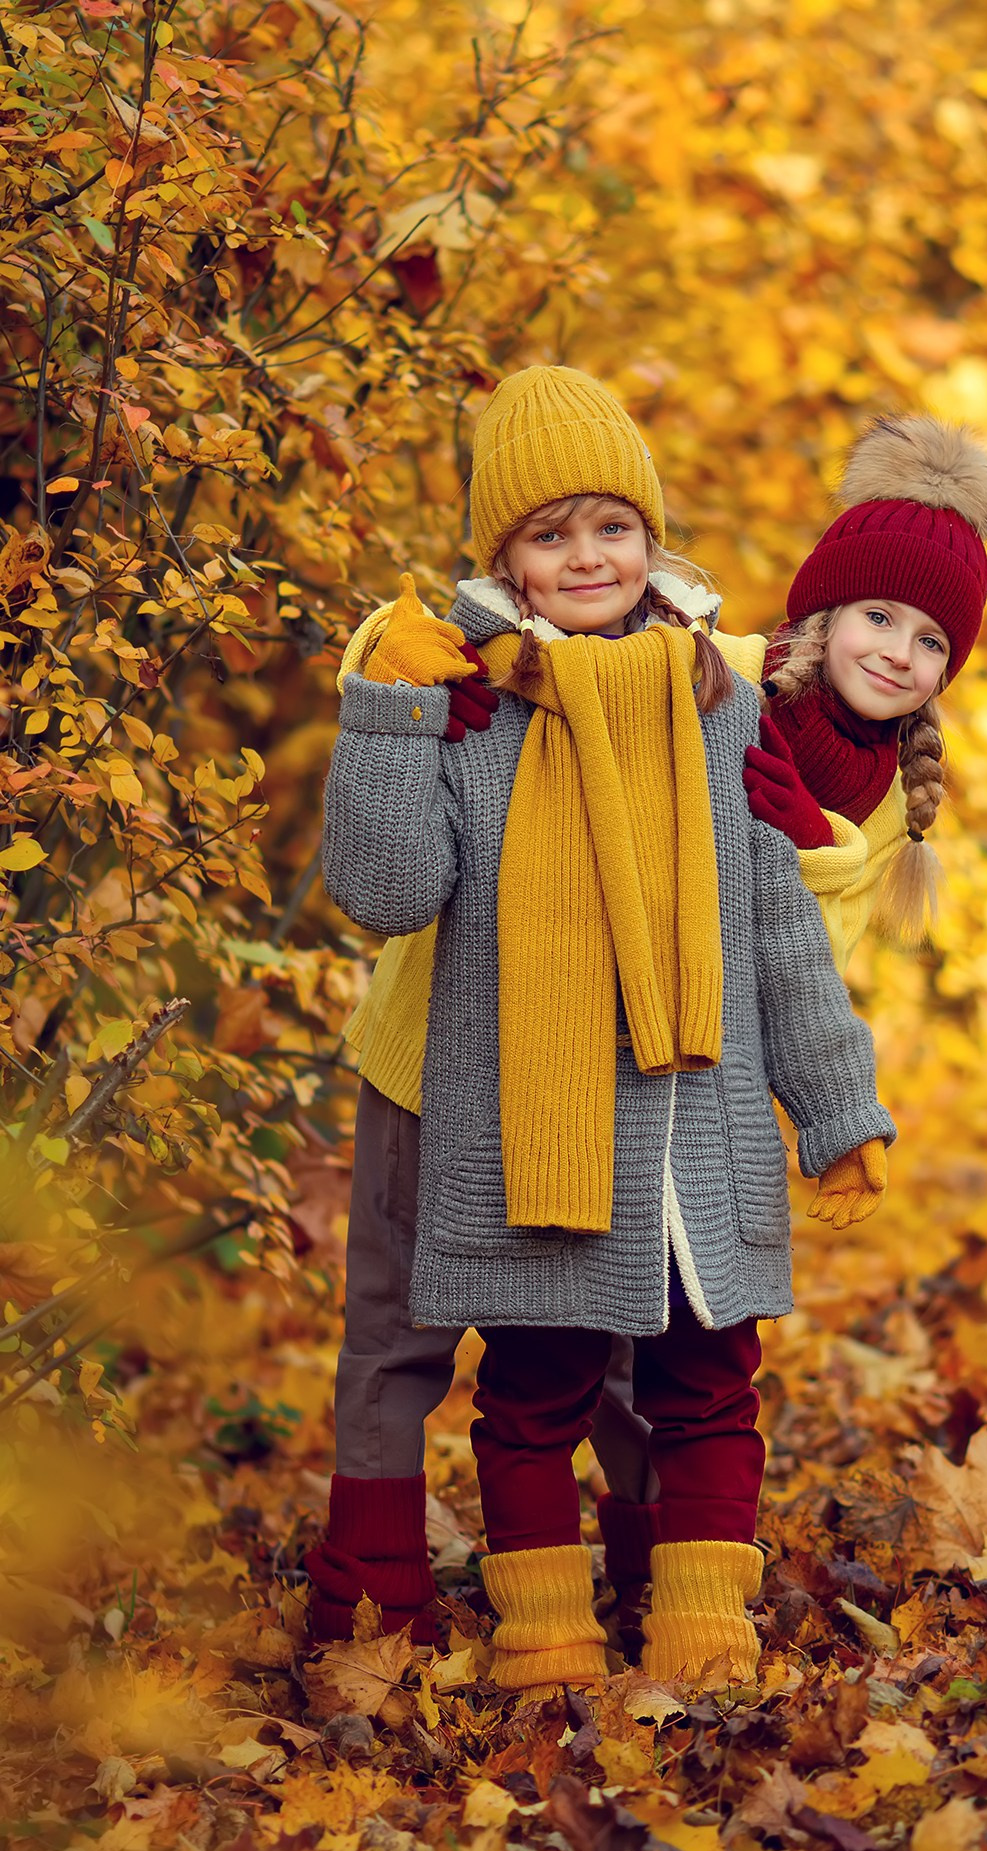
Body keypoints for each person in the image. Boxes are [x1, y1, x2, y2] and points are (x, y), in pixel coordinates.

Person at [320, 364, 895, 1692]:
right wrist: (392, 717)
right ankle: (544, 1633)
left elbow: (777, 932)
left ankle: (702, 1624)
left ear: (650, 539)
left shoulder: (717, 696)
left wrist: (838, 1109)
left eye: (612, 526)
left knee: (708, 1391)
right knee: (531, 1403)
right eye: (551, 533)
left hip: (696, 1146)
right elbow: (389, 890)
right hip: (540, 1137)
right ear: (508, 561)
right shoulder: (472, 706)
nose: (589, 555)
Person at [744, 414, 987, 960]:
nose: (898, 654)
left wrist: (815, 848)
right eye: (879, 617)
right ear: (829, 612)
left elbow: (823, 962)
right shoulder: (730, 677)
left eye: (931, 643)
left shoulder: (888, 805)